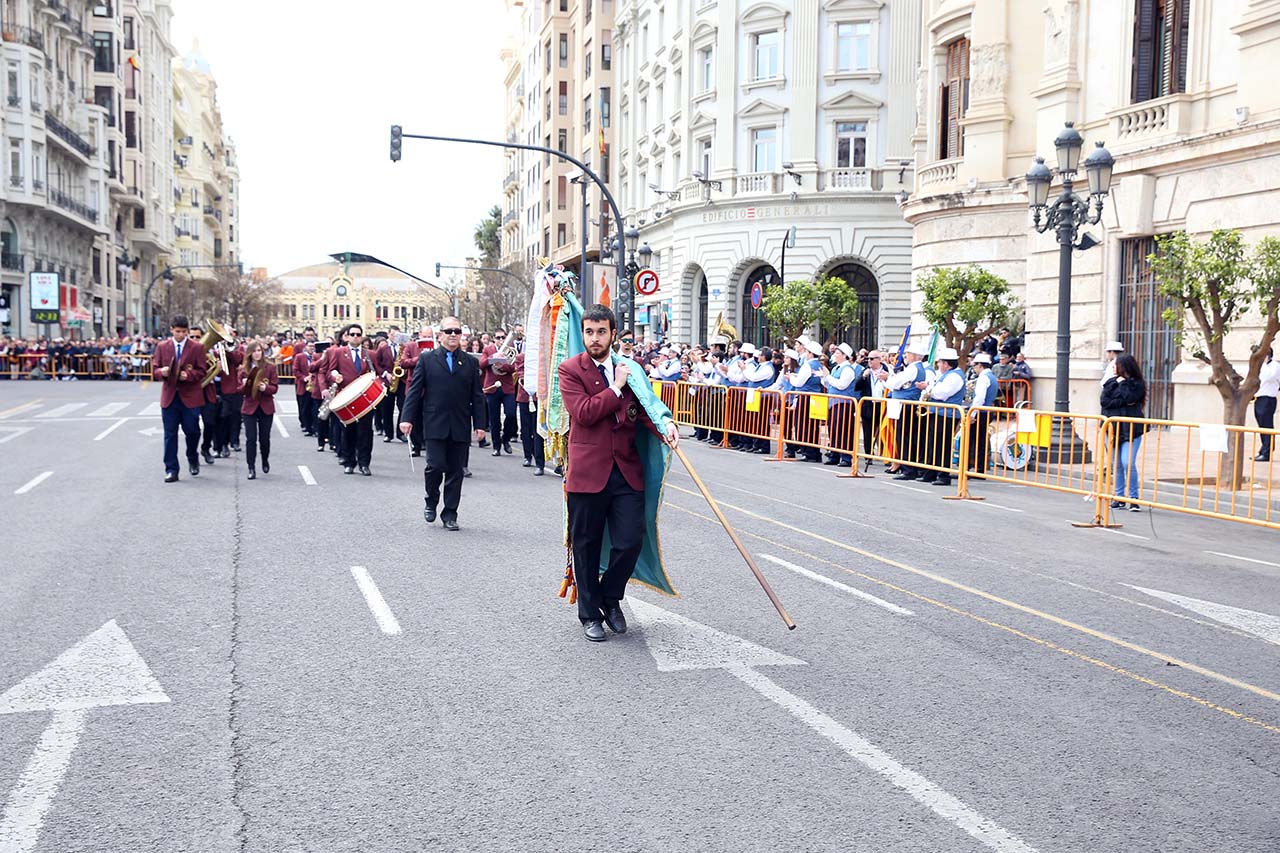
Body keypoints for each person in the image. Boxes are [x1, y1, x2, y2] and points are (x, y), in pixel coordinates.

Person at [558, 305, 680, 642]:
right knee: (586, 544)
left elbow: (644, 411)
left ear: (613, 334)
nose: (594, 339)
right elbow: (583, 413)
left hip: (626, 471)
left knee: (630, 541)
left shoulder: (632, 371)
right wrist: (615, 388)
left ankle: (610, 598)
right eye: (589, 332)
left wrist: (666, 426)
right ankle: (589, 614)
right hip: (588, 472)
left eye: (601, 332)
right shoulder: (571, 370)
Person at [400, 317, 487, 531]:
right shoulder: (427, 360)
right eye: (448, 331)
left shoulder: (469, 362)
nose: (453, 335)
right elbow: (415, 390)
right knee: (435, 466)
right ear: (440, 335)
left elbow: (477, 396)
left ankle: (450, 513)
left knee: (456, 471)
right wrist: (406, 418)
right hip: (434, 422)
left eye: (457, 331)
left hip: (459, 423)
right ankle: (431, 500)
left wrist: (481, 424)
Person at [152, 315, 207, 482]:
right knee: (170, 435)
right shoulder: (162, 346)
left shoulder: (197, 347)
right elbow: (154, 370)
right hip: (170, 397)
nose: (181, 335)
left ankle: (192, 456)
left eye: (184, 332)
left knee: (193, 431)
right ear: (171, 330)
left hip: (190, 397)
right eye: (177, 332)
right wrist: (161, 372)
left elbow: (202, 371)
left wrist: (188, 375)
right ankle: (171, 469)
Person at [1100, 354, 1148, 512]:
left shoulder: (1137, 384)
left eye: (1116, 365)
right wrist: (1121, 401)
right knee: (1117, 464)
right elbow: (1105, 402)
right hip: (1113, 428)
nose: (1113, 368)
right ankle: (1119, 497)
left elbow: (1131, 397)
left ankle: (1133, 498)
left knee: (1128, 462)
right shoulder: (1110, 383)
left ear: (1124, 367)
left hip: (1131, 429)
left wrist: (1122, 386)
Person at [328, 323, 376, 476]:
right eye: (353, 334)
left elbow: (377, 372)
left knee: (365, 433)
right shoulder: (338, 352)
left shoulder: (369, 354)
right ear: (347, 336)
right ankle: (349, 462)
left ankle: (364, 463)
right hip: (346, 398)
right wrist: (335, 376)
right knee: (348, 431)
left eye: (358, 334)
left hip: (365, 399)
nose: (356, 337)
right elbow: (330, 370)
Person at [237, 340, 279, 480]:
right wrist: (245, 385)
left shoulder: (270, 367)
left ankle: (265, 460)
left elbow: (275, 388)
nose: (257, 353)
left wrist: (264, 388)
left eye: (259, 351)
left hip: (265, 406)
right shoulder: (243, 369)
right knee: (251, 439)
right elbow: (238, 390)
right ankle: (251, 467)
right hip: (249, 407)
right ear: (249, 353)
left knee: (264, 438)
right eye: (254, 351)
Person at [480, 329, 518, 456]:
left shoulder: (510, 349)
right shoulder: (488, 349)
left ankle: (505, 438)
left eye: (503, 337)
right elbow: (482, 364)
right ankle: (496, 446)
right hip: (492, 386)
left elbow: (513, 368)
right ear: (494, 338)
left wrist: (502, 364)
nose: (501, 340)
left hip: (507, 387)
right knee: (494, 418)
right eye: (498, 338)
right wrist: (493, 358)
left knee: (511, 414)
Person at [1254, 348, 1277, 462]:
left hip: (1268, 398)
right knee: (1261, 425)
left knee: (1267, 425)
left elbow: (1269, 378)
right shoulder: (1260, 367)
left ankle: (1267, 452)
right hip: (1259, 397)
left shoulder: (1275, 366)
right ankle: (1263, 450)